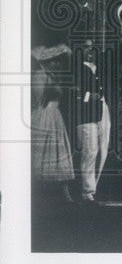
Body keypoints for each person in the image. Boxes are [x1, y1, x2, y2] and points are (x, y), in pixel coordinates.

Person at [30, 45, 75, 202]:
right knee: (43, 155)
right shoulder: (40, 75)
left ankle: (65, 194)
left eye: (57, 61)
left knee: (59, 154)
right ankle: (40, 195)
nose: (56, 64)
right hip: (44, 116)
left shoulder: (54, 76)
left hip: (55, 117)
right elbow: (38, 100)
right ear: (45, 62)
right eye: (52, 62)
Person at [72, 41, 112, 204]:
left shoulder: (97, 66)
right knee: (90, 151)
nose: (90, 50)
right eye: (86, 46)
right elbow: (75, 92)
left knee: (102, 148)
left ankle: (93, 188)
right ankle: (87, 192)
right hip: (86, 114)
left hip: (100, 110)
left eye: (91, 46)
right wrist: (90, 97)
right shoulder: (76, 67)